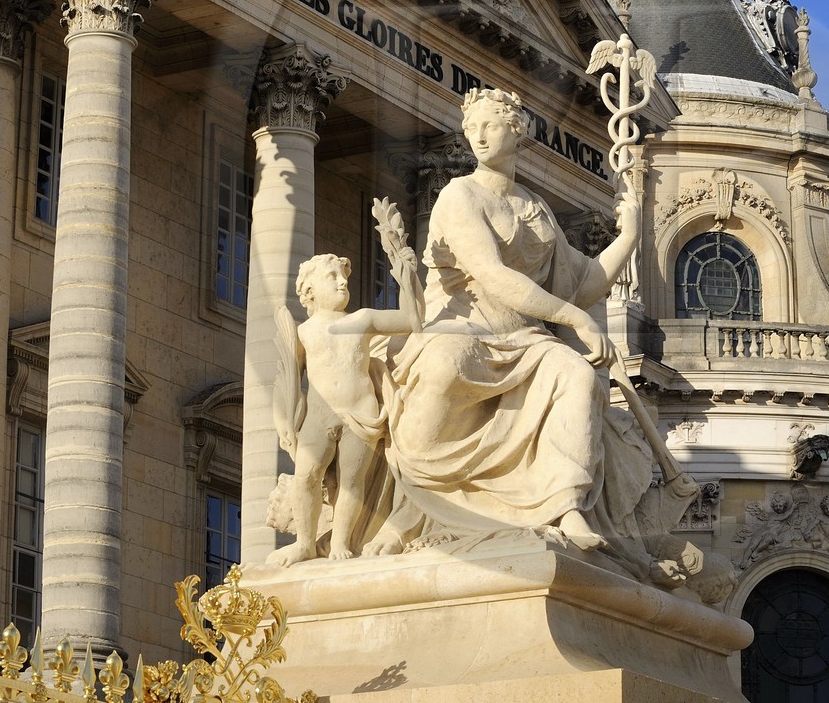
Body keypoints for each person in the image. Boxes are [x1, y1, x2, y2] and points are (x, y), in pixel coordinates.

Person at [385, 88, 642, 551]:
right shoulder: (458, 195)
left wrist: (630, 235)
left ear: (516, 130)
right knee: (448, 363)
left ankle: (566, 505)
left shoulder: (536, 208)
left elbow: (581, 284)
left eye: (489, 126)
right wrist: (576, 321)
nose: (477, 136)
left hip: (525, 337)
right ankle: (415, 493)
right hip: (463, 325)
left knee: (577, 376)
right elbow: (491, 274)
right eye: (471, 128)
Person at [267, 251, 418, 566]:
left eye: (344, 277)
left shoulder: (361, 319)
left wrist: (406, 276)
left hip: (360, 414)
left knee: (352, 481)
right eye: (332, 277)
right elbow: (288, 379)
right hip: (318, 416)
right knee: (306, 475)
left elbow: (411, 320)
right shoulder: (303, 332)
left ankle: (340, 541)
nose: (342, 283)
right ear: (309, 290)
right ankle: (305, 544)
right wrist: (283, 419)